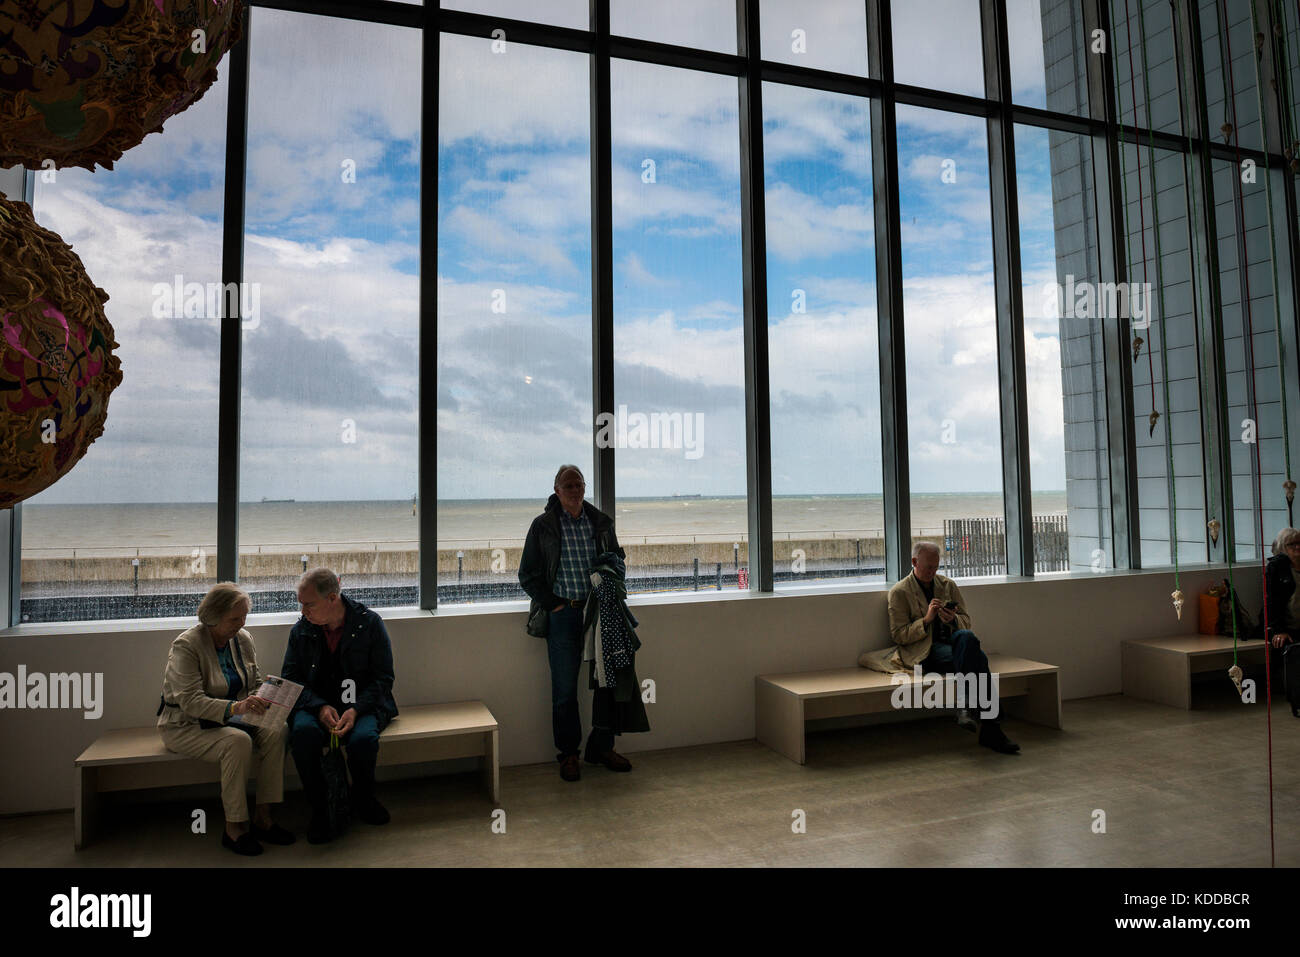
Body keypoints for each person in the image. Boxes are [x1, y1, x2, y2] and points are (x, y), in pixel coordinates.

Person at [157, 582, 294, 855]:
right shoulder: (186, 646)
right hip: (185, 724)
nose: (240, 624)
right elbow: (190, 702)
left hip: (232, 716)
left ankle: (264, 818)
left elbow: (253, 681)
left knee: (277, 728)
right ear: (212, 617)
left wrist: (262, 697)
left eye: (244, 617)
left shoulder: (243, 638)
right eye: (234, 619)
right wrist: (237, 707)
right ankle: (234, 828)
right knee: (237, 742)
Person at [519, 464, 633, 781]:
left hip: (600, 613)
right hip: (564, 616)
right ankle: (569, 755)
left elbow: (617, 560)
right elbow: (526, 574)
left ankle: (601, 747)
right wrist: (553, 604)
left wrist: (612, 583)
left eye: (579, 484)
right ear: (556, 490)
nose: (575, 490)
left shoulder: (600, 523)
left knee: (606, 683)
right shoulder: (543, 526)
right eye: (568, 485)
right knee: (565, 690)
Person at [860, 541, 1019, 754]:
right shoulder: (900, 592)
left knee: (967, 637)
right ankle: (990, 728)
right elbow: (899, 635)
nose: (932, 572)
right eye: (928, 567)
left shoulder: (948, 585)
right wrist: (926, 620)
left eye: (936, 567)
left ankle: (967, 709)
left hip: (953, 647)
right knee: (978, 659)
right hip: (924, 652)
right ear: (915, 562)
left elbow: (966, 621)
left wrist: (952, 620)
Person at [282, 567, 398, 843]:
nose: (303, 610)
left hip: (363, 705)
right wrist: (320, 707)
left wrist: (356, 709)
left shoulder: (369, 623)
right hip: (315, 707)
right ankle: (321, 808)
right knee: (303, 735)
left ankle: (363, 798)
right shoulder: (302, 630)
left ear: (332, 598)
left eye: (308, 604)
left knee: (363, 740)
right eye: (301, 603)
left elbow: (383, 678)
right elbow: (291, 678)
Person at [1264, 527, 1300, 716]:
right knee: (1292, 653)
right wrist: (1278, 629)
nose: (1297, 547)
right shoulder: (1276, 567)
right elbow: (1272, 600)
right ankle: (1296, 700)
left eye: (1299, 542)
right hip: (1285, 625)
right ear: (1282, 548)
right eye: (1291, 544)